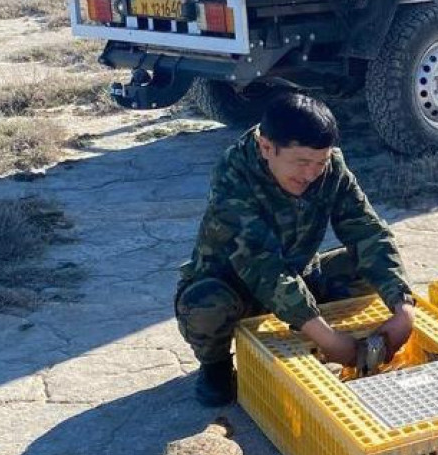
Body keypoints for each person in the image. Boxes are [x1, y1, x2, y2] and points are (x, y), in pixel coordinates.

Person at [174, 92, 416, 406]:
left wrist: (403, 307)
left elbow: (367, 231)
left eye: (320, 162)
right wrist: (328, 339)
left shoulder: (329, 168)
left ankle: (313, 326)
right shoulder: (234, 175)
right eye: (301, 162)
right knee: (204, 305)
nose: (310, 174)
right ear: (266, 147)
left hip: (299, 274)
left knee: (369, 270)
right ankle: (216, 364)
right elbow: (262, 266)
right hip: (238, 288)